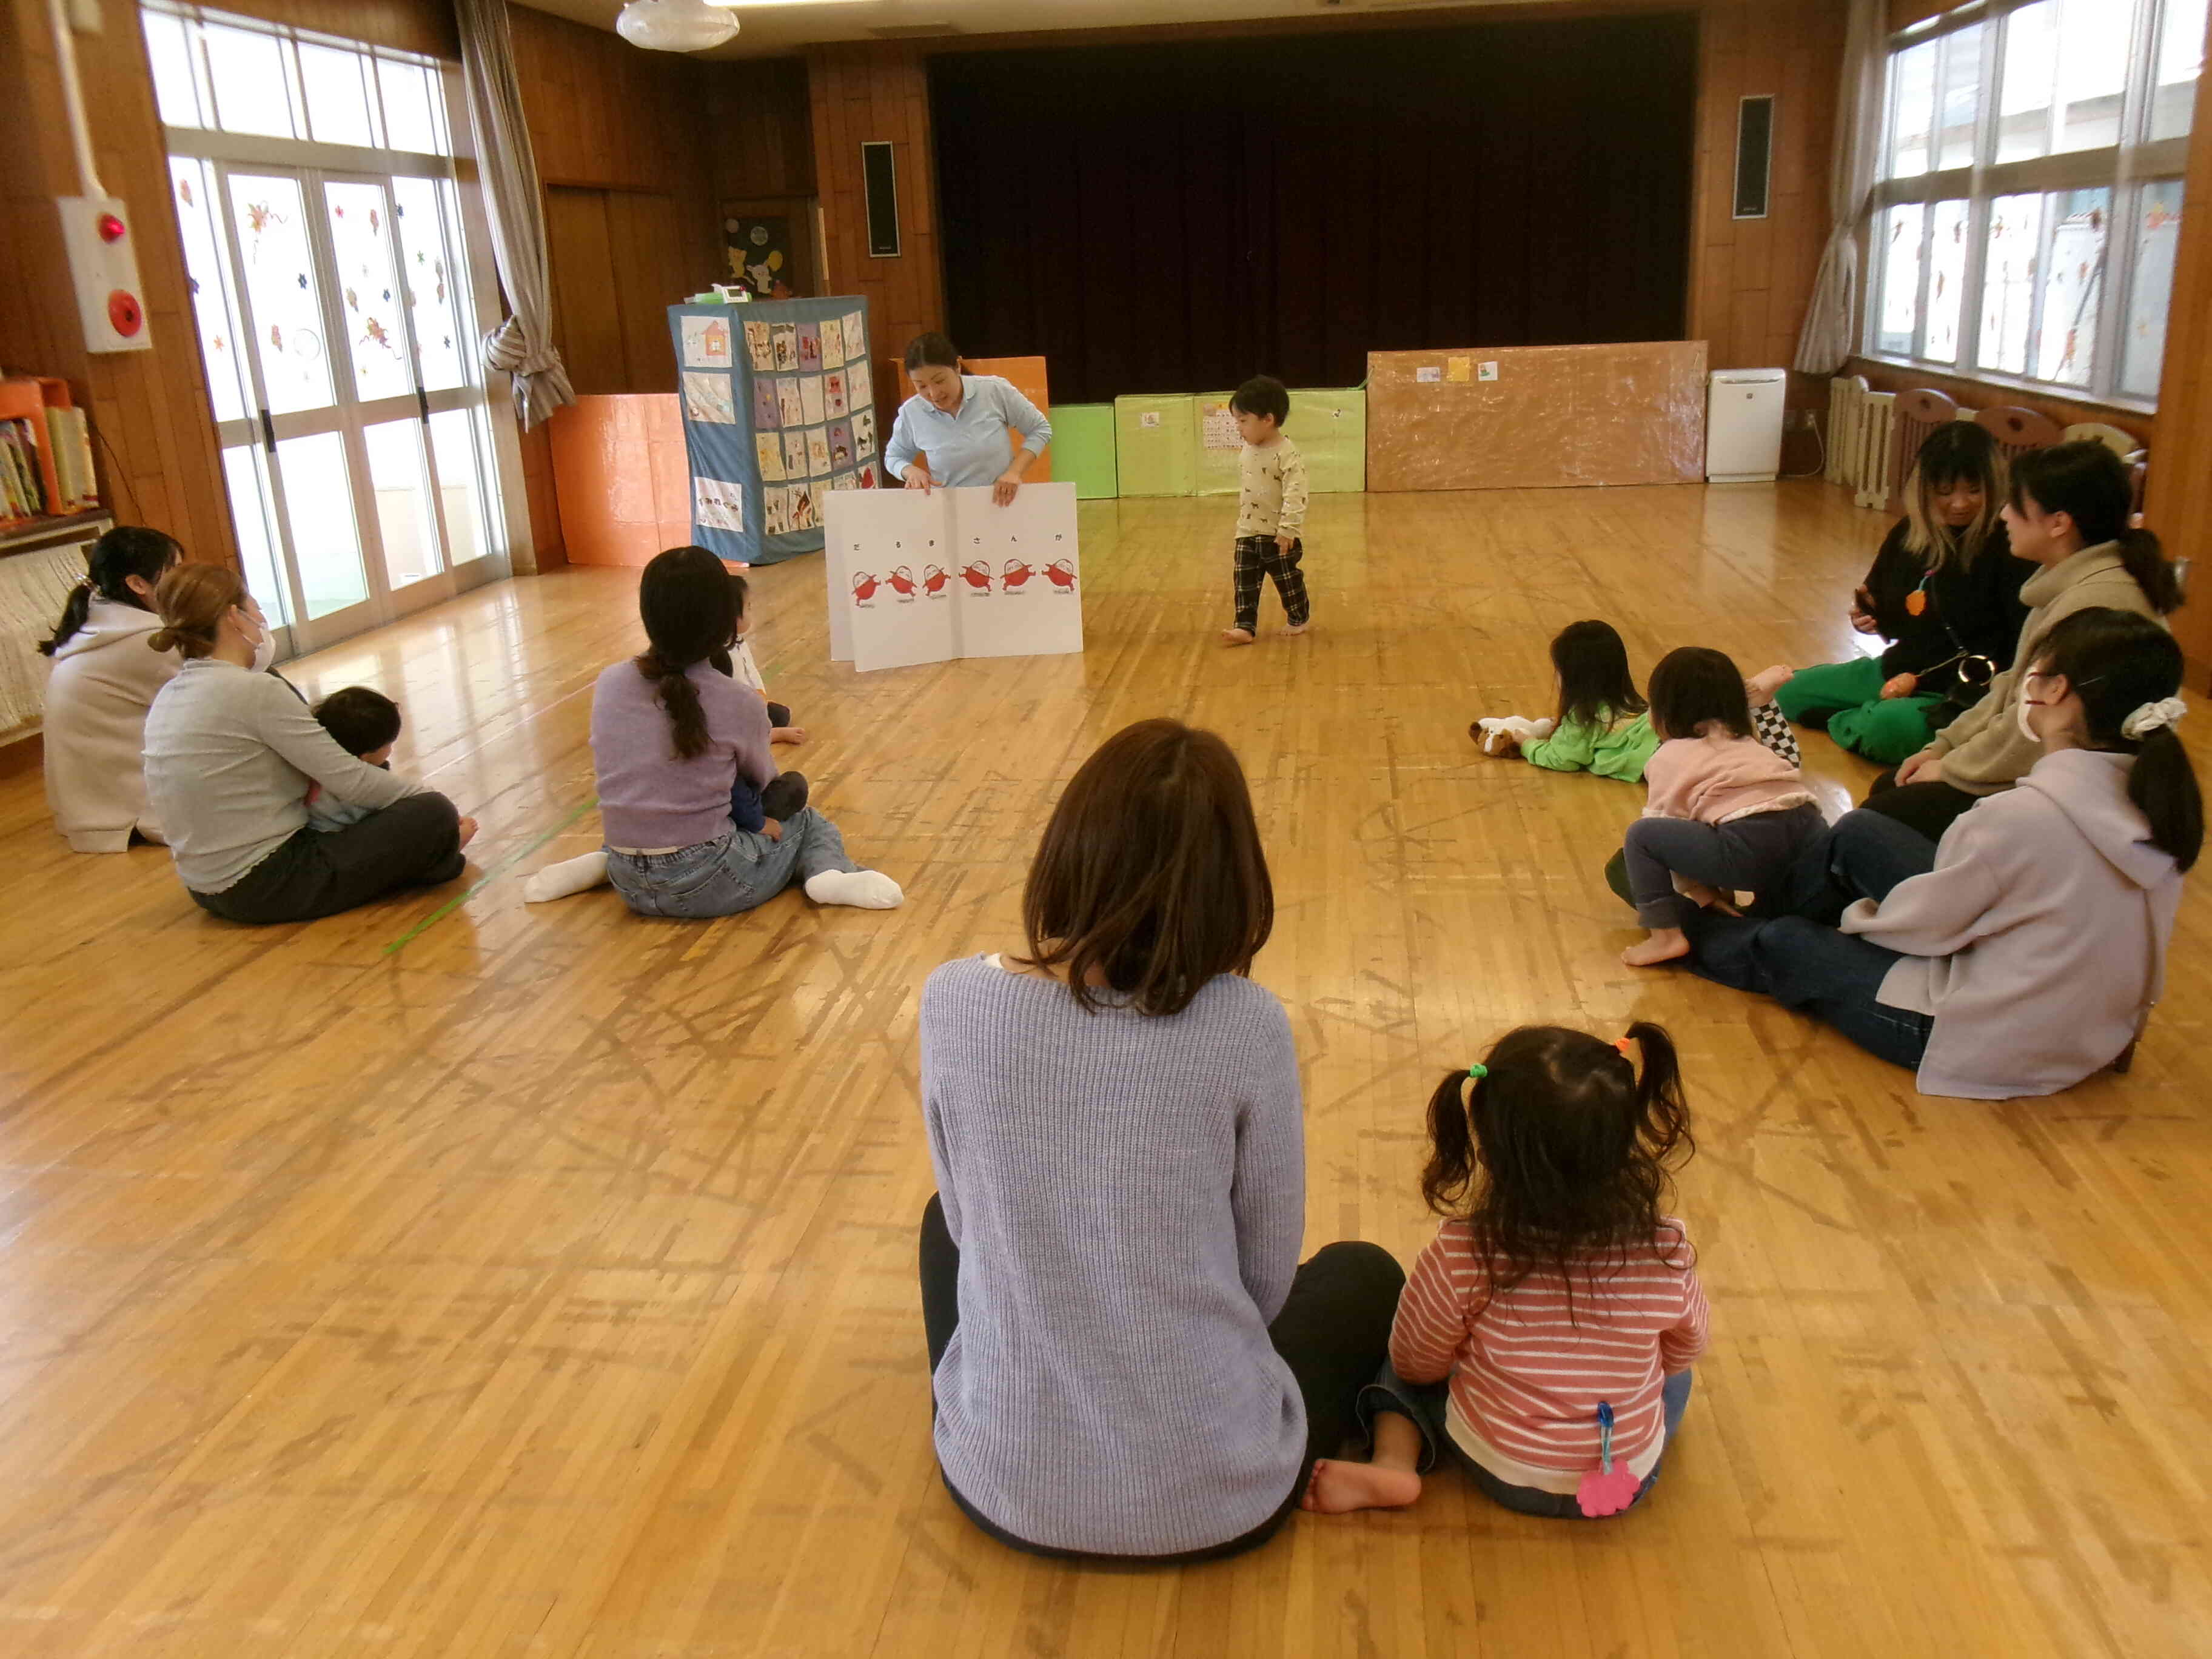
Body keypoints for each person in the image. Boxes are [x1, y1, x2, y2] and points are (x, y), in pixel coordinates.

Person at [917, 719, 1405, 1561]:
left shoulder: (953, 998)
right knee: (1364, 1273)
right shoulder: (1247, 1026)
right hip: (1221, 1499)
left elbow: (967, 1225)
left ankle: (1010, 1412)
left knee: (939, 1226)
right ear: (1232, 884)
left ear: (1067, 851)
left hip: (1001, 1486)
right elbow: (1262, 1279)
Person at [1684, 609, 2197, 1099]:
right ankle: (1748, 917)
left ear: (2057, 690)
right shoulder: (2162, 804)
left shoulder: (2023, 816)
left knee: (1788, 941)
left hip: (1978, 1034)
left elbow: (1926, 931)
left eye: (2036, 673)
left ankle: (1687, 927)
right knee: (1858, 832)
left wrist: (1851, 920)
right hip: (2088, 1031)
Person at [1302, 1024, 1708, 1520]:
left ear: (1491, 1148)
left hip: (1501, 1471)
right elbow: (1685, 1349)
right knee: (1677, 1378)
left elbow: (1416, 1364)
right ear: (1625, 1141)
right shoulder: (1667, 1245)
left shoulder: (1465, 1251)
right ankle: (1632, 1445)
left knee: (1397, 1364)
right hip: (1625, 1479)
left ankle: (1394, 1463)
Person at [1861, 441, 2181, 843]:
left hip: (2069, 792)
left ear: (2059, 523)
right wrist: (1944, 748)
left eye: (2015, 504)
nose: (2004, 514)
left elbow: (2032, 727)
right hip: (2042, 769)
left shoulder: (2094, 602)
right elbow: (2012, 687)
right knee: (1891, 791)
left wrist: (1954, 768)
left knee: (1876, 820)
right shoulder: (2066, 582)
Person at [141, 564, 476, 924]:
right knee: (430, 812)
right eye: (254, 607)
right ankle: (435, 852)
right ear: (234, 618)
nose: (261, 618)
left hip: (204, 888)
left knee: (392, 802)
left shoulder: (171, 693)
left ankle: (424, 854)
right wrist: (430, 805)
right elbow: (350, 780)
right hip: (266, 883)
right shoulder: (253, 690)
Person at [584, 547, 896, 919]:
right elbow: (764, 782)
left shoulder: (610, 682)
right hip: (709, 879)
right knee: (808, 824)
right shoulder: (738, 699)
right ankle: (828, 874)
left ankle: (591, 866)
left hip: (627, 879)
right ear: (724, 617)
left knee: (652, 811)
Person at [1751, 424, 2030, 766]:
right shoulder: (1909, 535)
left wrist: (1933, 684)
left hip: (1962, 692)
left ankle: (1848, 719)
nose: (1959, 504)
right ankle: (1864, 712)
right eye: (1945, 492)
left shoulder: (2011, 544)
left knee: (1888, 728)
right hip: (1899, 669)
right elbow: (1891, 618)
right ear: (1926, 490)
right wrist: (1869, 619)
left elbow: (2017, 646)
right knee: (1786, 691)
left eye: (1974, 491)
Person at [1620, 648, 1825, 968]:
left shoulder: (1669, 756)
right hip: (1811, 829)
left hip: (1750, 844)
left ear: (1662, 713)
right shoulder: (1746, 740)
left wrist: (1704, 895)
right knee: (1731, 832)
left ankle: (1665, 936)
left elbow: (1667, 832)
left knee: (1642, 837)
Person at [37, 526, 183, 852]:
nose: (182, 579)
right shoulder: (145, 639)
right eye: (173, 570)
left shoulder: (100, 619)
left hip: (92, 797)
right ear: (137, 584)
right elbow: (210, 693)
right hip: (125, 801)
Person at [1471, 619, 1658, 779]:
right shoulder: (1629, 701)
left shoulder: (1582, 717)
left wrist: (1528, 744)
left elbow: (1562, 758)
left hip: (1656, 759)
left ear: (1574, 678)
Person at [883, 333, 1051, 504]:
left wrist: (1014, 472)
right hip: (948, 510)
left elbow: (1040, 429)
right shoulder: (912, 412)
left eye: (940, 381)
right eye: (922, 386)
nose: (933, 394)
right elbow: (893, 457)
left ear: (957, 366)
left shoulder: (994, 391)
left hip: (1002, 504)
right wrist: (909, 471)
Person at [1220, 375, 1312, 646]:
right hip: (1247, 531)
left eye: (1243, 421)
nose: (1238, 428)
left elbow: (1296, 495)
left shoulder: (1287, 454)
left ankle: (1299, 616)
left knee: (1287, 580)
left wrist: (1288, 529)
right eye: (1236, 421)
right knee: (1244, 581)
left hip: (1277, 535)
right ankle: (1244, 627)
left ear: (1268, 419)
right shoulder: (1247, 449)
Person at [304, 685, 403, 831]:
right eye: (389, 744)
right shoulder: (362, 788)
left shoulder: (312, 763)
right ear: (365, 756)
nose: (390, 749)